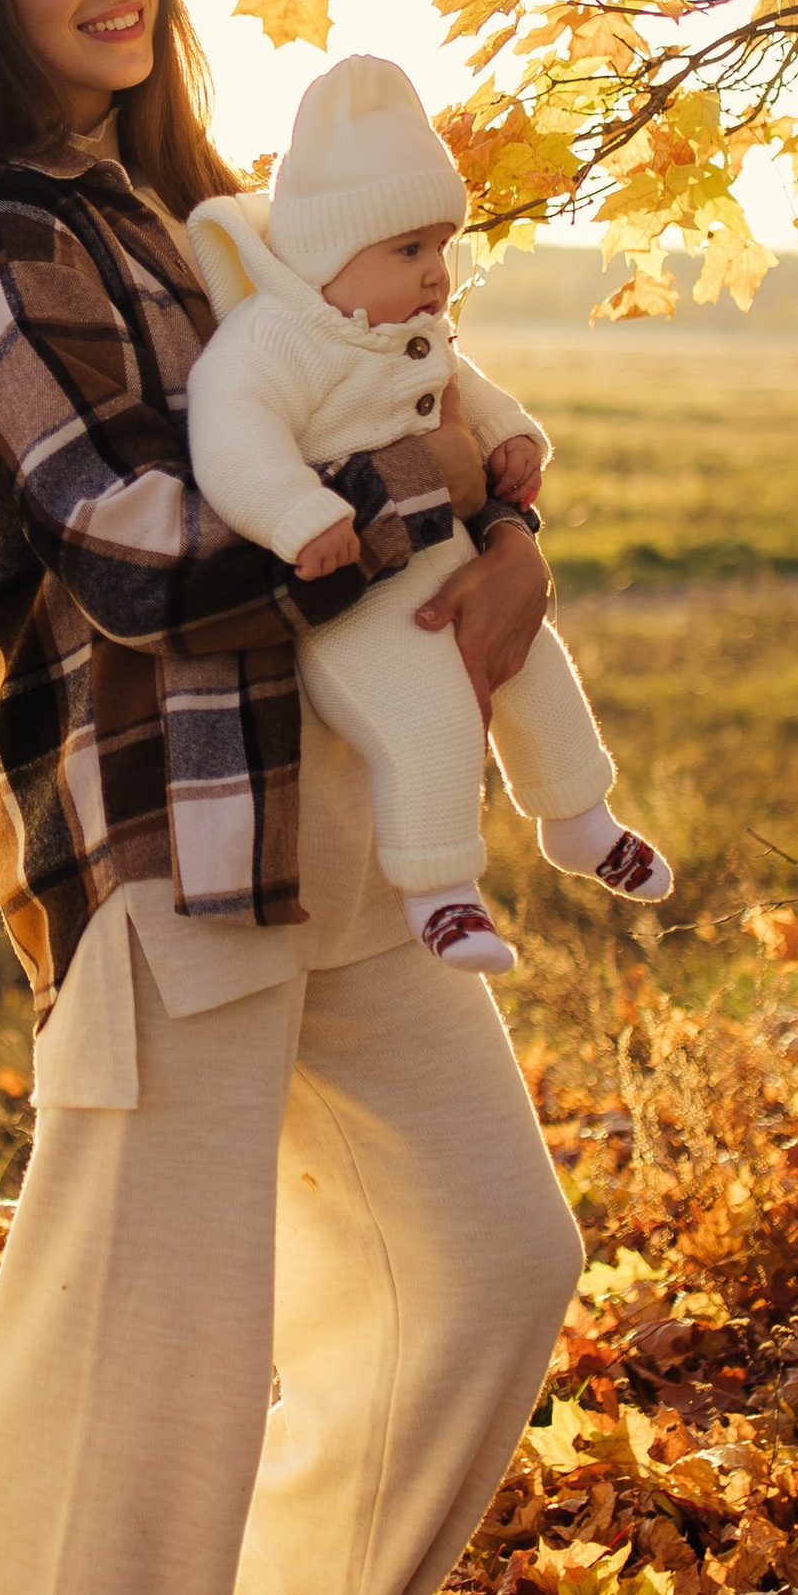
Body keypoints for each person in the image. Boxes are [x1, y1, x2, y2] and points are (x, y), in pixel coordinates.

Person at [0, 0, 585, 1595]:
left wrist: (505, 526)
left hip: (330, 828)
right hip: (158, 842)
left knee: (490, 1252)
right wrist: (398, 534)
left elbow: (408, 409)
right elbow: (116, 542)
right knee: (146, 1371)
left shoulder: (202, 222)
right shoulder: (6, 237)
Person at [186, 51, 671, 975]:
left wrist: (510, 438)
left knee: (536, 667)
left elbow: (468, 386)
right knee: (430, 718)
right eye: (408, 251)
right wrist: (297, 511)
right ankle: (440, 891)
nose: (436, 274)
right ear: (331, 254)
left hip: (447, 562)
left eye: (441, 247)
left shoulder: (411, 332)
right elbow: (230, 433)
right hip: (358, 604)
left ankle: (579, 818)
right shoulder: (274, 340)